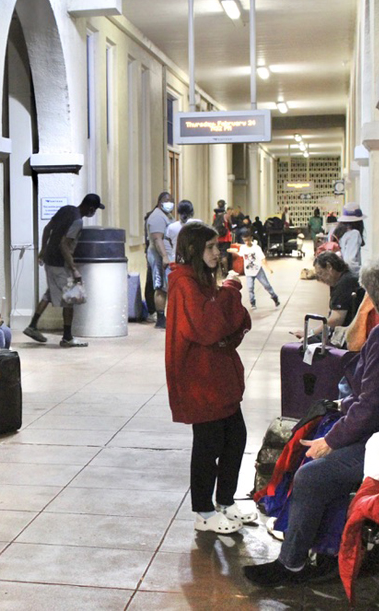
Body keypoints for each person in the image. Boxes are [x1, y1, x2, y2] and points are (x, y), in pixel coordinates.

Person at [244, 254, 379, 587]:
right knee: (327, 450)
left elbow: (374, 406)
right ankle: (329, 551)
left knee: (312, 473)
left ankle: (291, 563)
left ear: (370, 293)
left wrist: (333, 440)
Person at [165, 222, 254, 535]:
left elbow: (231, 322)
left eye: (219, 246)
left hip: (218, 375)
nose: (219, 253)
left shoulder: (201, 280)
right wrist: (230, 291)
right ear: (193, 250)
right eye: (211, 247)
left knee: (236, 438)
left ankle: (225, 501)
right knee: (208, 444)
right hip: (200, 379)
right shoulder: (183, 282)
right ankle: (204, 510)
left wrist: (225, 296)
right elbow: (209, 326)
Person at [23, 193, 104, 347]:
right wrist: (74, 269)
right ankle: (67, 338)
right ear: (91, 209)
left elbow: (48, 229)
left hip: (50, 260)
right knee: (71, 298)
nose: (93, 213)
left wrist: (43, 250)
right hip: (60, 263)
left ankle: (33, 326)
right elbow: (64, 245)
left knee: (49, 294)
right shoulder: (78, 221)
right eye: (94, 210)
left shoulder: (66, 209)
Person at [294, 252, 361, 340]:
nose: (321, 279)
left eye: (321, 273)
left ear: (329, 267)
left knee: (303, 345)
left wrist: (310, 334)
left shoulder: (344, 283)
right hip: (345, 330)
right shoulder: (344, 279)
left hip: (345, 335)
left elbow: (336, 319)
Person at [145, 192, 174, 328]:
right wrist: (164, 257)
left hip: (166, 256)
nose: (170, 203)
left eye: (171, 200)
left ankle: (165, 316)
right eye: (167, 200)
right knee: (160, 286)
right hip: (159, 256)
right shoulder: (157, 216)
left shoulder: (166, 216)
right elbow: (157, 239)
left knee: (165, 286)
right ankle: (161, 319)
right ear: (159, 202)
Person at [231, 231, 280, 309]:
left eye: (248, 240)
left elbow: (262, 258)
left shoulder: (256, 248)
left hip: (258, 270)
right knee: (250, 287)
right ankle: (252, 303)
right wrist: (232, 250)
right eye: (244, 241)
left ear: (251, 238)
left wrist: (268, 268)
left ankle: (274, 297)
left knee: (266, 285)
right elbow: (240, 253)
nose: (246, 242)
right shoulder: (243, 248)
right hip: (248, 271)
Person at [337, 203, 366, 275]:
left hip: (339, 275)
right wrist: (361, 272)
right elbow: (349, 261)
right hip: (350, 275)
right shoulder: (354, 234)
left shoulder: (339, 232)